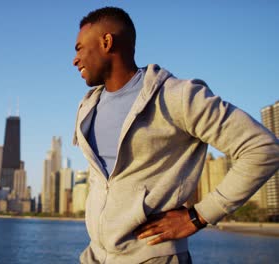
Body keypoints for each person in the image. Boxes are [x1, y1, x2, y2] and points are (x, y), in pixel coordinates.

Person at [72, 6, 279, 264]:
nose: (75, 59)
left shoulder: (175, 96)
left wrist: (198, 216)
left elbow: (263, 148)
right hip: (96, 256)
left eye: (79, 48)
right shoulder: (87, 107)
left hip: (153, 257)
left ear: (106, 42)